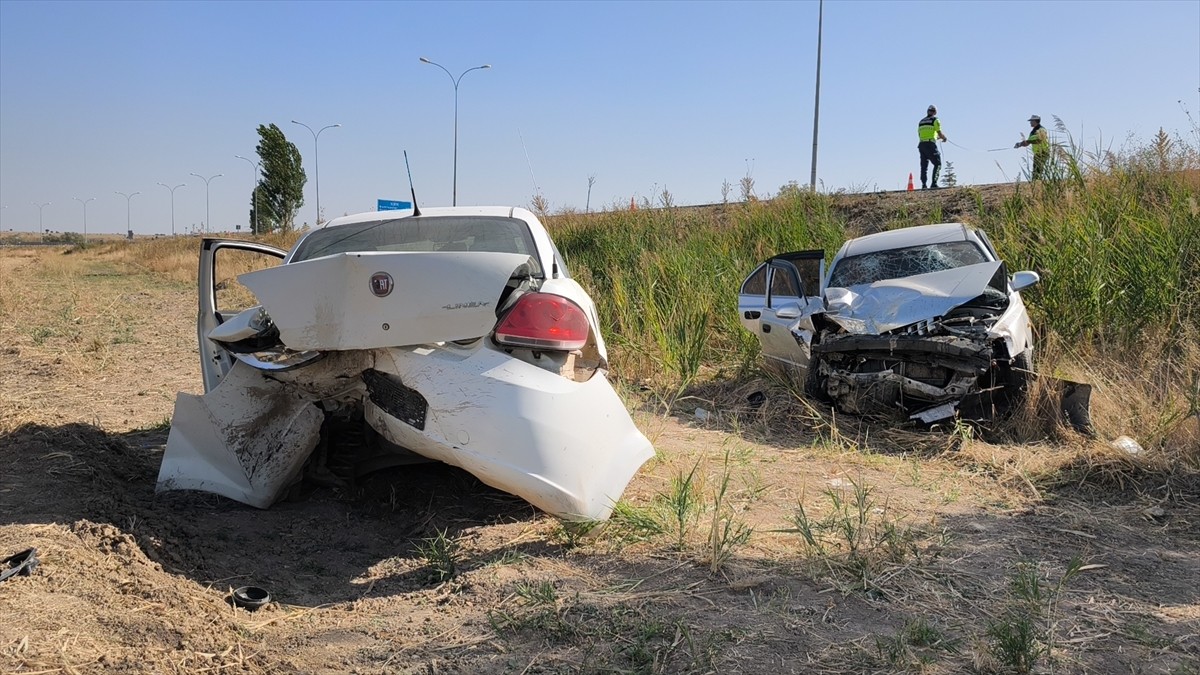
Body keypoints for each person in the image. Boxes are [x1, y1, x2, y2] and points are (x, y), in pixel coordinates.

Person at [917, 105, 947, 189]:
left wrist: (935, 137)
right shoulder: (935, 120)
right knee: (937, 164)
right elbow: (939, 132)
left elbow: (920, 134)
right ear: (935, 112)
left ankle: (924, 185)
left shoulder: (921, 121)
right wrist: (944, 138)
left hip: (921, 145)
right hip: (930, 145)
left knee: (924, 166)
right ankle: (934, 183)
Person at [1015, 114, 1051, 180]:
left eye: (1031, 121)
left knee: (1038, 170)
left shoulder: (1041, 129)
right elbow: (1028, 142)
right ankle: (1036, 183)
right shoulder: (1032, 132)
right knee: (1036, 171)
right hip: (1037, 153)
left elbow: (1040, 140)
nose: (1030, 122)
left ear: (1035, 121)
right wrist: (1020, 144)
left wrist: (1029, 141)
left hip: (1043, 152)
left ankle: (1037, 184)